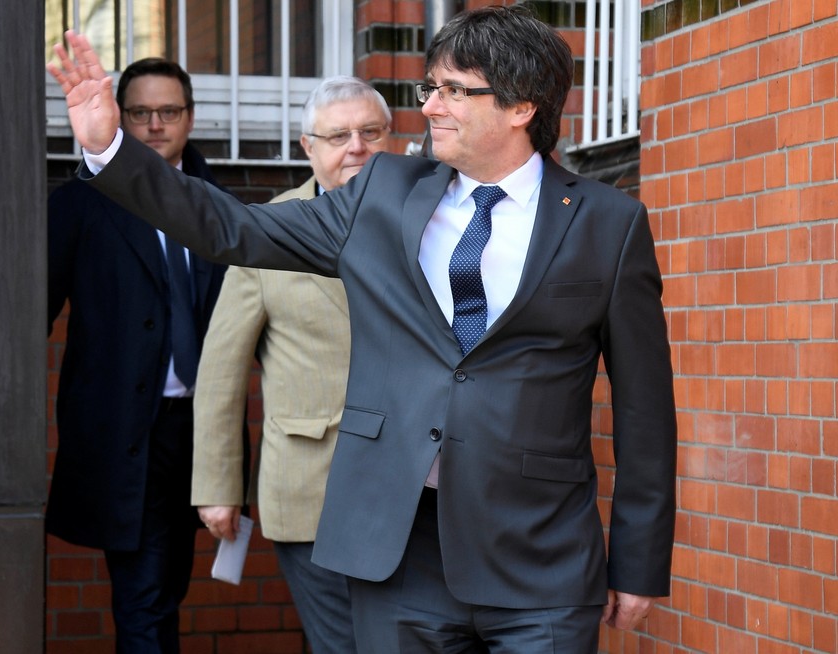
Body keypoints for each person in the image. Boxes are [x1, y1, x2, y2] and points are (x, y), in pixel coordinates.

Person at [49, 5, 678, 652]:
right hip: (398, 550)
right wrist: (109, 148)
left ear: (522, 107)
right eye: (429, 87)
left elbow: (645, 410)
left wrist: (638, 559)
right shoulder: (382, 194)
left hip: (539, 556)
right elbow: (234, 229)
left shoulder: (610, 224)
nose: (430, 106)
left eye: (454, 91)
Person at [194, 76, 391, 654]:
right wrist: (218, 487)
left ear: (391, 136)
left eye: (369, 132)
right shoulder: (269, 230)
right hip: (311, 488)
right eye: (337, 135)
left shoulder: (433, 223)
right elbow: (221, 370)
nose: (355, 146)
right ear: (308, 147)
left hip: (411, 493)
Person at [46, 57, 228, 653]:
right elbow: (32, 314)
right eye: (140, 112)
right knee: (144, 595)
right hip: (128, 433)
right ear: (119, 115)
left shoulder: (219, 205)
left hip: (202, 433)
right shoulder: (78, 204)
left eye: (168, 111)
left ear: (190, 118)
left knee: (168, 585)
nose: (154, 125)